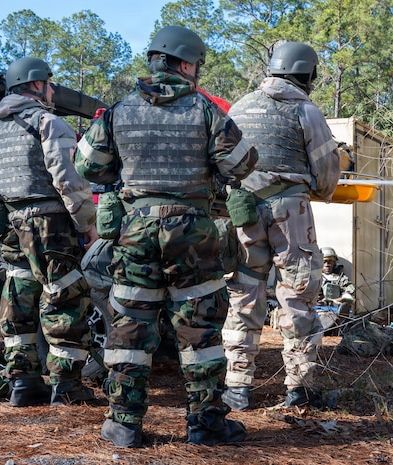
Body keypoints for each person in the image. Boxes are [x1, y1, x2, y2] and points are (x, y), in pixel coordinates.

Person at [74, 25, 258, 448]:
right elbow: (241, 162)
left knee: (131, 324)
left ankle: (123, 423)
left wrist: (127, 171)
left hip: (136, 229)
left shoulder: (119, 111)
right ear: (188, 64)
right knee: (199, 329)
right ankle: (205, 423)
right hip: (192, 231)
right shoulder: (207, 110)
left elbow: (88, 167)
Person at [221, 41, 341, 411]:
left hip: (241, 209)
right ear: (306, 74)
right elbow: (326, 175)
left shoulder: (239, 106)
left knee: (243, 294)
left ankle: (237, 387)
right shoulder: (305, 109)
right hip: (289, 211)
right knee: (298, 294)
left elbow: (225, 162)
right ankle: (299, 387)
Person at [0, 57, 99, 407]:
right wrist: (87, 225)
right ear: (36, 85)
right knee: (64, 298)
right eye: (49, 83)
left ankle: (22, 383)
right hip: (49, 225)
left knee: (18, 302)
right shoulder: (48, 123)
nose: (51, 89)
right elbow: (70, 180)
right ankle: (65, 386)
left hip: (12, 226)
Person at [316, 247, 355, 333]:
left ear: (334, 263)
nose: (327, 264)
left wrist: (336, 300)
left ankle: (335, 326)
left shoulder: (341, 278)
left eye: (330, 261)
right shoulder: (313, 277)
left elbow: (351, 295)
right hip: (316, 310)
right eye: (324, 262)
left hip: (334, 310)